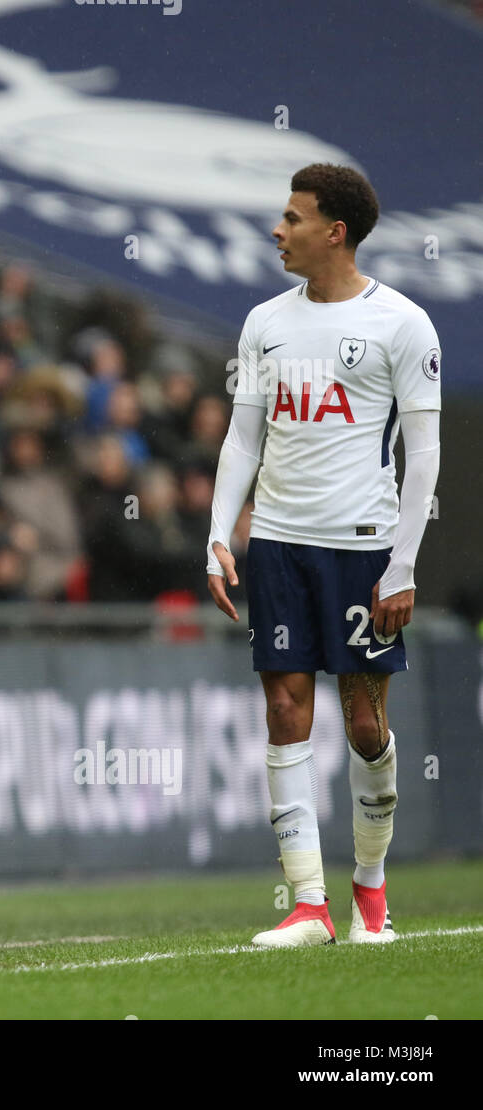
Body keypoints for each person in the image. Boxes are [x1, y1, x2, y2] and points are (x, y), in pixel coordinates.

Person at [206, 164, 441, 947]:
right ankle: (308, 904)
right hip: (276, 544)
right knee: (283, 711)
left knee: (366, 725)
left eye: (292, 217)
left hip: (361, 551)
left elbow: (425, 452)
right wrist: (217, 531)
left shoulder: (402, 325)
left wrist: (402, 565)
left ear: (333, 232)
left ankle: (369, 889)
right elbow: (245, 436)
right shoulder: (263, 323)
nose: (278, 230)